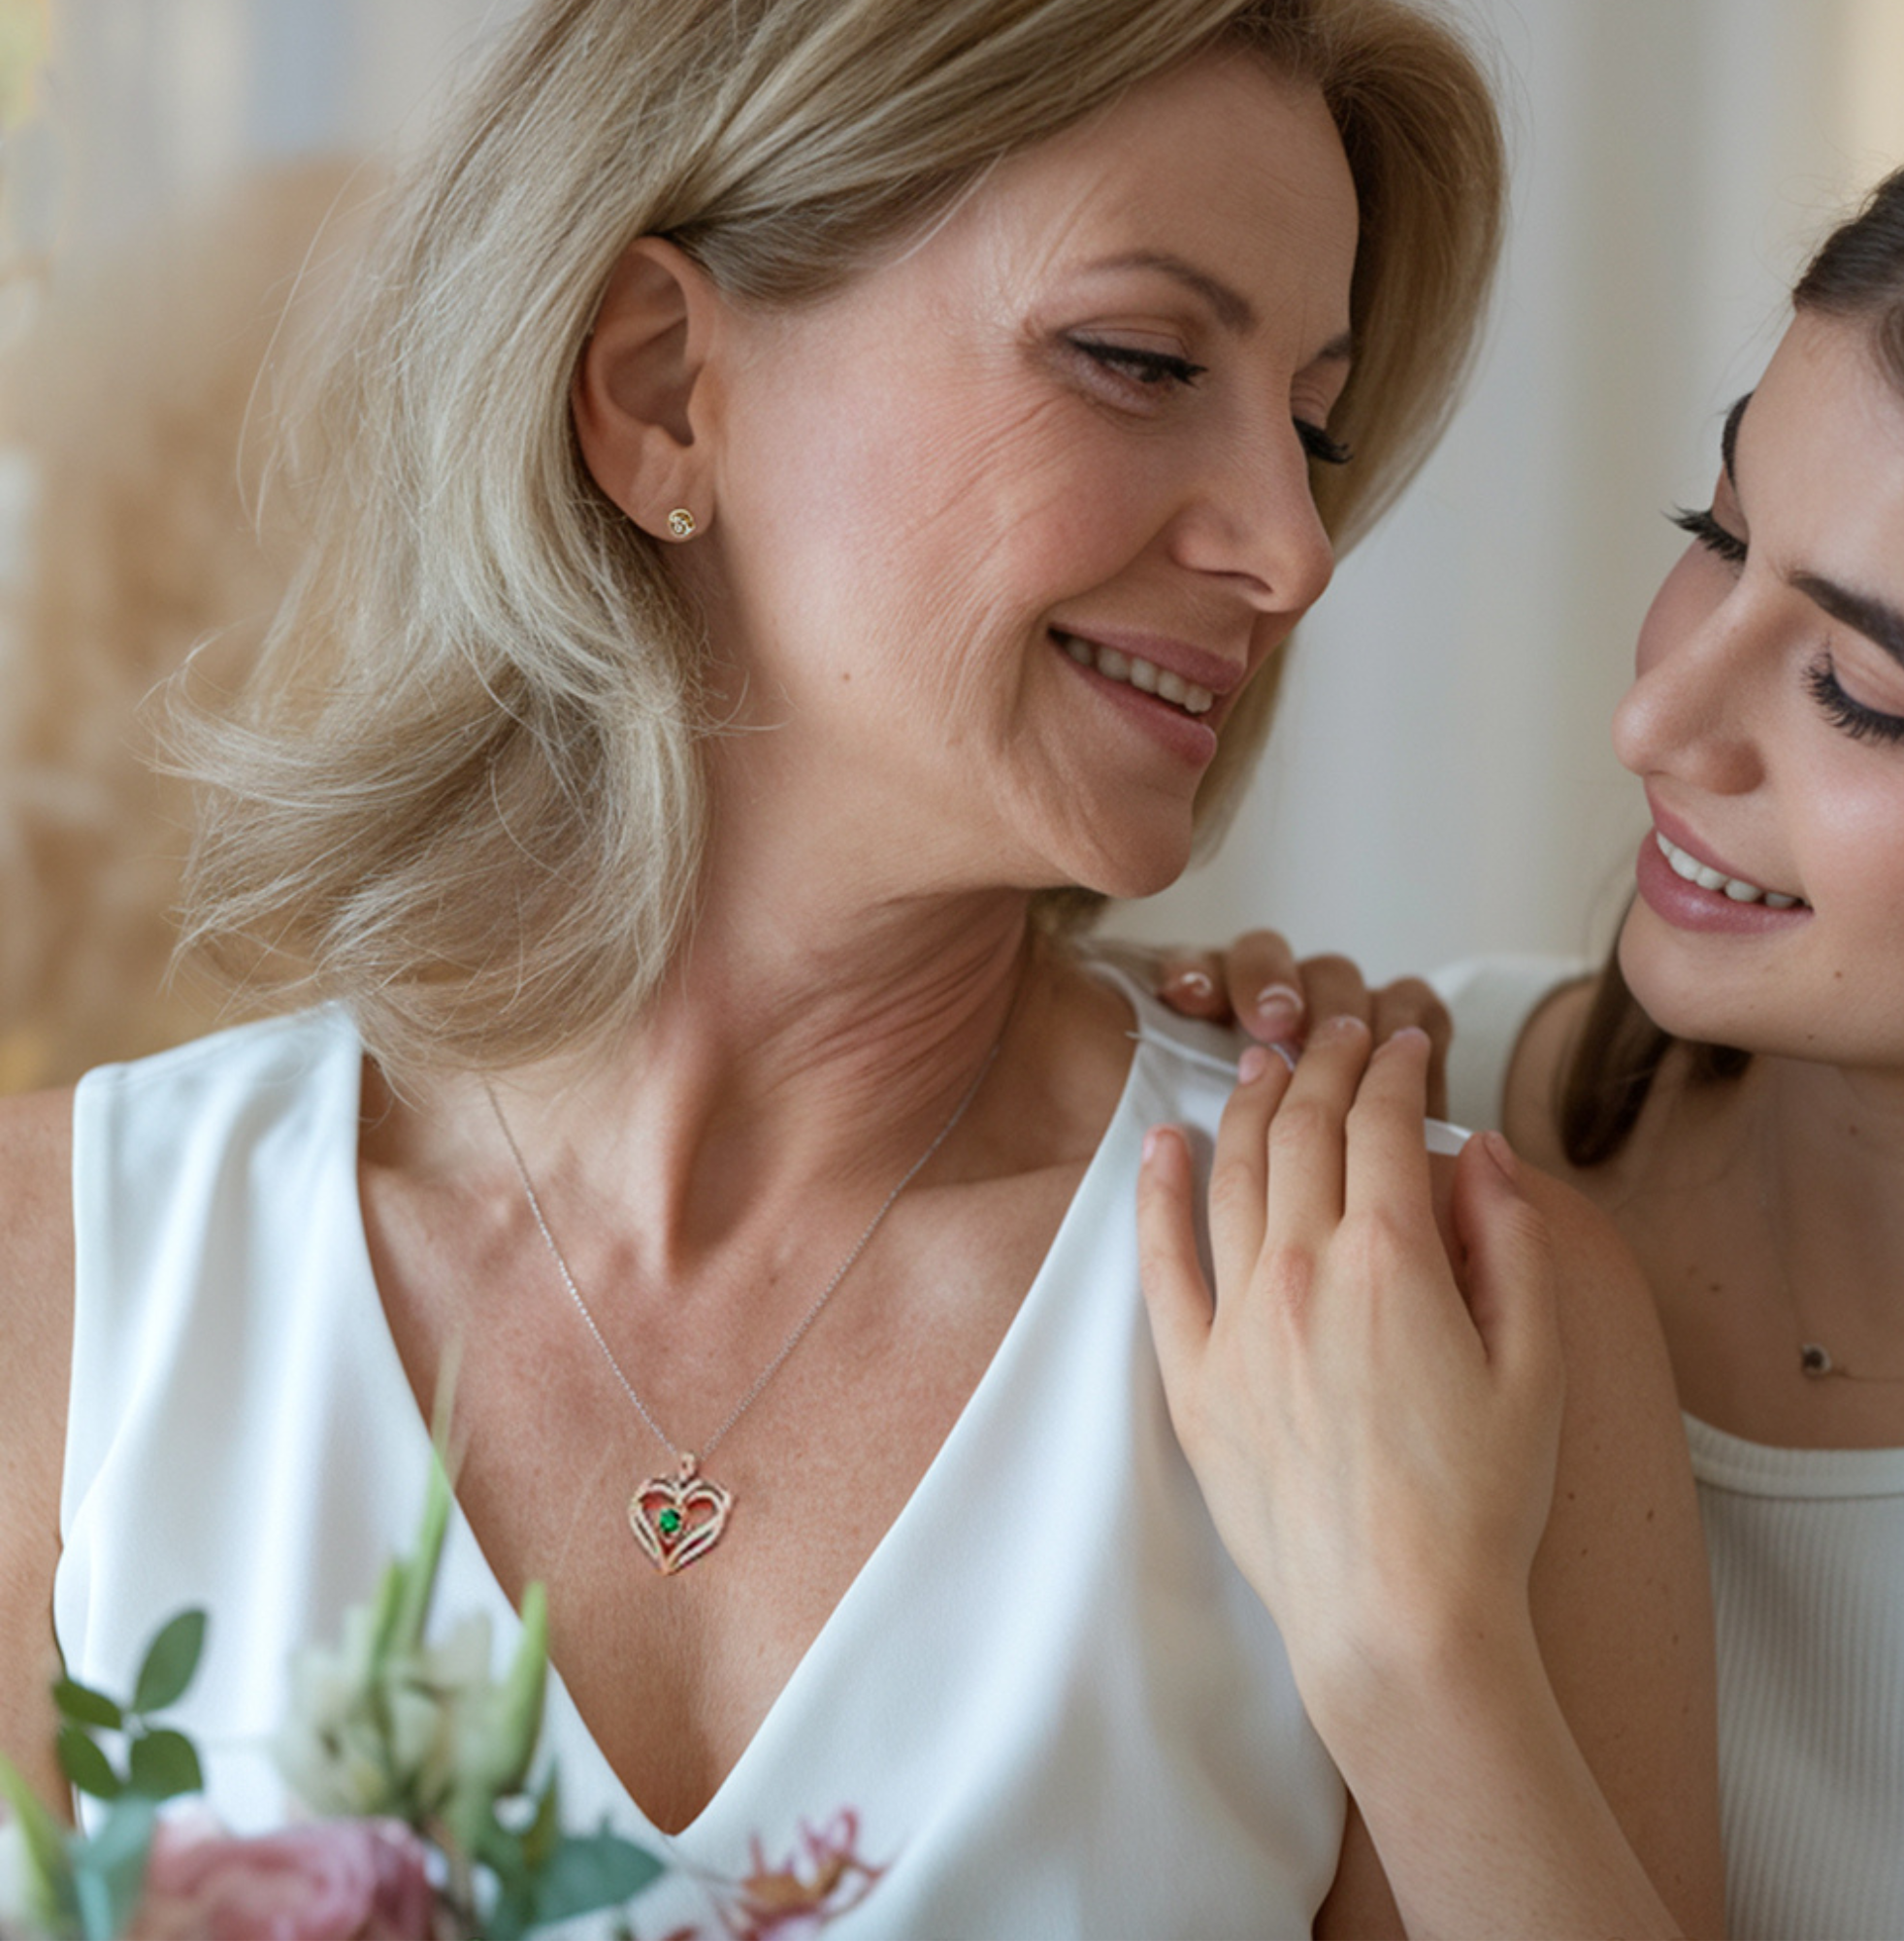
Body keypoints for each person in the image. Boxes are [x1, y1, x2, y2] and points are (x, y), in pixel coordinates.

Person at [0, 1, 1723, 1933]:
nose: (1292, 548)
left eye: (1311, 429)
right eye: (1139, 359)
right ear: (662, 387)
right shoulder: (58, 1289)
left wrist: (1419, 1651)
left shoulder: (1445, 1326)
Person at [1158, 139, 1904, 1939]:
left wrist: (1426, 1663)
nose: (1657, 716)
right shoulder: (1405, 1129)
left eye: (1858, 696)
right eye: (1718, 540)